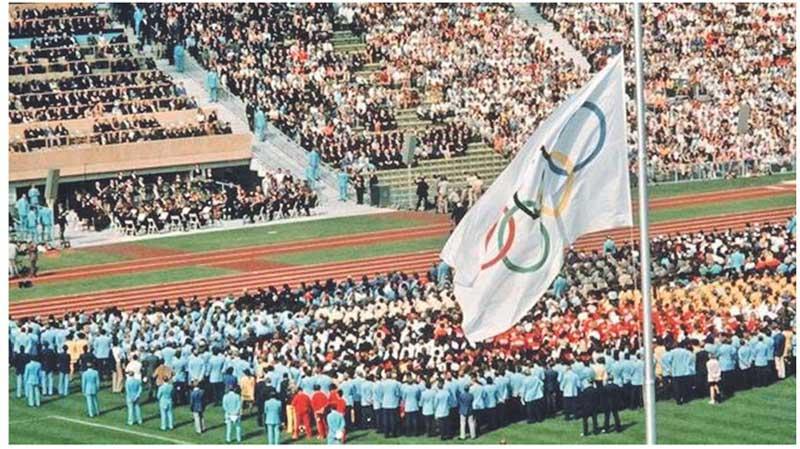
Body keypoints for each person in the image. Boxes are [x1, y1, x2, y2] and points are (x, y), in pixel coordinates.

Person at [380, 371, 402, 438]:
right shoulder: (395, 383)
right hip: (393, 403)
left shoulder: (382, 383)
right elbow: (397, 393)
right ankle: (393, 433)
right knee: (393, 420)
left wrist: (381, 400)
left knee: (386, 420)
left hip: (385, 403)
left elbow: (381, 393)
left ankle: (386, 433)